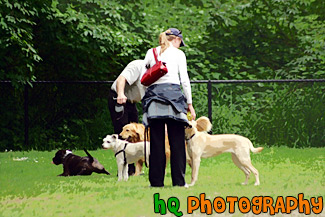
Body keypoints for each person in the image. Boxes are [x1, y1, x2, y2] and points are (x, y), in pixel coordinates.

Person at [142, 28, 196, 187]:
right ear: (177, 40)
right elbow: (184, 80)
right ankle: (179, 182)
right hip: (174, 98)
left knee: (157, 143)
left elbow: (143, 80)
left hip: (154, 100)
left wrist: (147, 101)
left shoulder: (150, 52)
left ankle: (156, 183)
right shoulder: (179, 54)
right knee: (178, 143)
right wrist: (190, 104)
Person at [108, 59, 146, 175]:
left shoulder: (157, 72)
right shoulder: (138, 66)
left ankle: (134, 170)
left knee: (134, 135)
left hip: (132, 103)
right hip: (119, 99)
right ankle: (124, 169)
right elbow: (121, 79)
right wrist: (120, 94)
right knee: (122, 134)